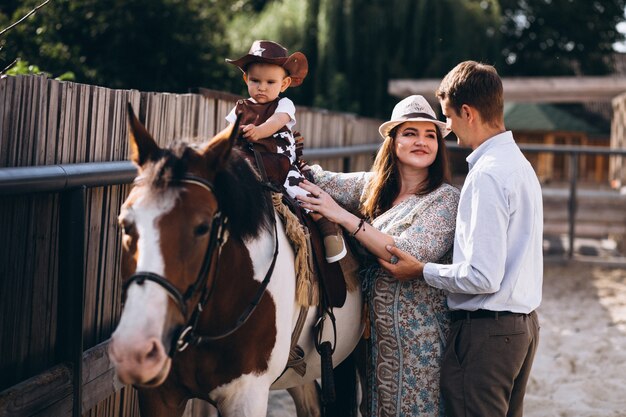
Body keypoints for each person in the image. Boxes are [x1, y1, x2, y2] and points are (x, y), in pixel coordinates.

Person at [382, 61, 543, 417]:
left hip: (487, 335)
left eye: (448, 117)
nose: (447, 129)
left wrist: (422, 270)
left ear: (467, 112)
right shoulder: (518, 164)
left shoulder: (487, 175)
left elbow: (483, 277)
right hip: (523, 329)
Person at [297, 95, 460, 416]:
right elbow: (316, 180)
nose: (422, 142)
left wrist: (343, 217)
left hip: (418, 340)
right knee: (373, 408)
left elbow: (405, 254)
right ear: (393, 140)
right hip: (371, 338)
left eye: (430, 135)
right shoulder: (372, 187)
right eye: (410, 133)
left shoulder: (445, 200)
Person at [225, 39, 346, 263]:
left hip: (280, 165)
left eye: (270, 82)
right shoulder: (240, 108)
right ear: (245, 79)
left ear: (284, 83)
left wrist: (259, 131)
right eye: (255, 80)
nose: (262, 87)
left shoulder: (284, 105)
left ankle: (327, 227)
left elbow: (278, 121)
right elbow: (227, 134)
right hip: (249, 165)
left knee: (302, 194)